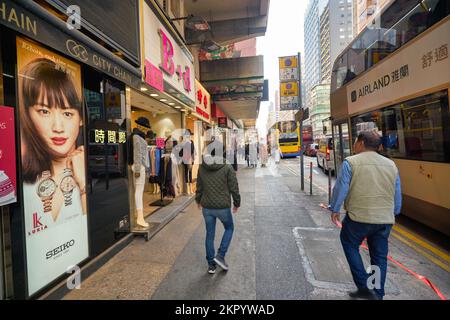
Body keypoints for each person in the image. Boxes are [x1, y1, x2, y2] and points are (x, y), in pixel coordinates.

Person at [327, 131, 402, 300]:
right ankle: (377, 292)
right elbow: (397, 194)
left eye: (355, 142)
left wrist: (335, 209)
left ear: (361, 143)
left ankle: (364, 287)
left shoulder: (351, 162)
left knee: (349, 244)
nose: (354, 145)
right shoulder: (391, 165)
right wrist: (394, 212)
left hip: (358, 219)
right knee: (379, 257)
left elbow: (341, 188)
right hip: (384, 220)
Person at [19, 58, 87, 223]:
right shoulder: (23, 180)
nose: (58, 127)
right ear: (27, 115)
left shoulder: (85, 170)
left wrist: (83, 184)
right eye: (44, 111)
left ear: (80, 119)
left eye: (67, 113)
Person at [196, 140, 241, 274]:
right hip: (223, 207)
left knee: (209, 235)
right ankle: (220, 256)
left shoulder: (202, 166)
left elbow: (199, 187)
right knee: (229, 228)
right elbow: (234, 187)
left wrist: (198, 200)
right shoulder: (227, 166)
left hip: (207, 207)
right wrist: (237, 203)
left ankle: (211, 265)